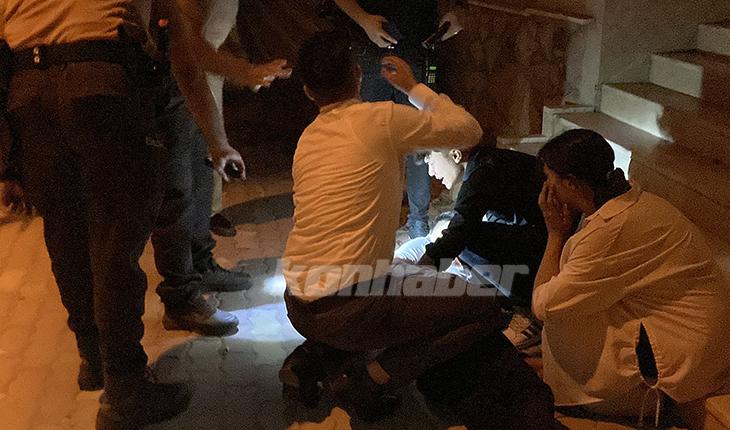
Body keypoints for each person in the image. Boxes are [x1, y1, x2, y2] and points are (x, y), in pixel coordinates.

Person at [281, 31, 561, 429]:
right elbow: (468, 130)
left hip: (297, 301)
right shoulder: (380, 119)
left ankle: (320, 356)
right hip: (350, 306)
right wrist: (413, 87)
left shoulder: (308, 139)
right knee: (484, 307)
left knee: (408, 275)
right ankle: (369, 381)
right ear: (358, 75)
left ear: (308, 91)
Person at [1, 1, 190, 428]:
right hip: (99, 81)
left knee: (64, 235)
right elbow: (161, 24)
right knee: (114, 243)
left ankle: (92, 358)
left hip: (28, 92)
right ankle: (125, 388)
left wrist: (7, 164)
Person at [533, 129, 730, 428]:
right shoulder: (627, 200)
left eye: (550, 179)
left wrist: (555, 235)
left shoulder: (613, 229)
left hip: (684, 349)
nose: (547, 188)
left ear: (571, 182)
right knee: (574, 303)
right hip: (692, 332)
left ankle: (622, 397)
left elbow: (543, 304)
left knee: (563, 312)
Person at [145, 0, 290, 336]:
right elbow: (189, 47)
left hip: (192, 83)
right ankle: (180, 299)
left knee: (200, 180)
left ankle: (200, 264)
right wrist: (244, 70)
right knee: (178, 194)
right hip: (173, 84)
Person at [395, 135, 548, 306]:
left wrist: (419, 273)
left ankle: (520, 296)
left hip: (545, 246)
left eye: (430, 160)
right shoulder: (488, 161)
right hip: (538, 237)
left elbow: (459, 231)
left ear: (455, 154)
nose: (431, 172)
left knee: (466, 239)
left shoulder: (483, 172)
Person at [332, 0, 438, 239]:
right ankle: (366, 216)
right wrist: (363, 19)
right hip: (368, 51)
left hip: (415, 49)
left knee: (417, 140)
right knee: (367, 140)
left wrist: (454, 13)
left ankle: (418, 221)